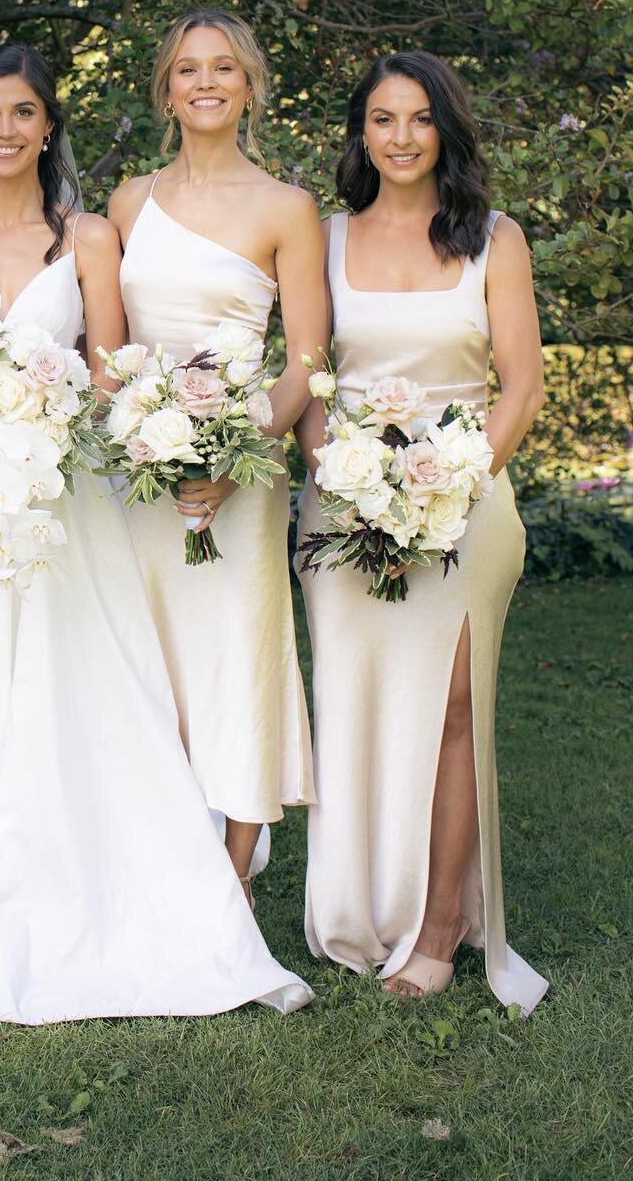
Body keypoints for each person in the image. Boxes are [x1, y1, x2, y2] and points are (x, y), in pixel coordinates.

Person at [0, 42, 312, 1023]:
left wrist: (61, 412)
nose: (6, 129)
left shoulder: (89, 237)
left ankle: (80, 884)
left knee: (67, 688)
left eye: (24, 113)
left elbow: (112, 369)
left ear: (49, 128)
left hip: (58, 497)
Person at [296, 51, 547, 1010]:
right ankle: (359, 908)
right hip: (346, 505)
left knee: (452, 707)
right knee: (355, 701)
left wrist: (450, 482)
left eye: (419, 119)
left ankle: (442, 927)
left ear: (446, 128)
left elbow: (520, 386)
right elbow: (311, 380)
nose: (401, 138)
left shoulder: (495, 240)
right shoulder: (322, 239)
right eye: (382, 120)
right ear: (361, 133)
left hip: (467, 502)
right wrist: (344, 480)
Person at [109, 9, 323, 900]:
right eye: (188, 68)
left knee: (238, 646)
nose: (205, 82)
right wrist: (138, 433)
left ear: (248, 86)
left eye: (223, 68)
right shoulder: (128, 201)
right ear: (166, 88)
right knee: (145, 650)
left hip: (245, 462)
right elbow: (107, 347)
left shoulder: (286, 207)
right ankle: (150, 848)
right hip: (138, 471)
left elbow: (309, 355)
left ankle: (230, 873)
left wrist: (238, 456)